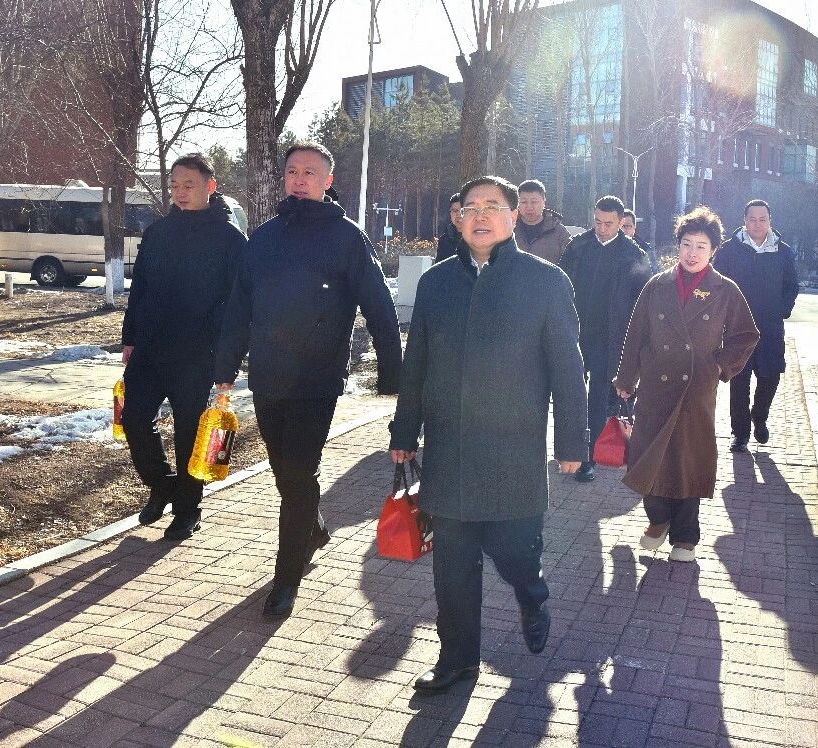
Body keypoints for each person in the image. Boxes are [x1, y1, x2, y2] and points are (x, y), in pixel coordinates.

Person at [389, 175, 589, 693]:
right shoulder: (436, 283)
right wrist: (404, 431)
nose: (480, 215)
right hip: (450, 449)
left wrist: (572, 442)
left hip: (513, 450)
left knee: (514, 551)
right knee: (453, 567)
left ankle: (532, 594)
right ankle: (457, 659)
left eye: (493, 206)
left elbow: (568, 369)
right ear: (458, 217)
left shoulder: (545, 282)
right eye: (471, 206)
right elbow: (416, 364)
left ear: (512, 216)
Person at [215, 141, 402, 618]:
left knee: (299, 471)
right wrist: (225, 369)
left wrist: (391, 369)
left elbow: (378, 304)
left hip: (317, 377)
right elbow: (239, 306)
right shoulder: (264, 238)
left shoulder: (346, 237)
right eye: (293, 171)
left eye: (310, 173)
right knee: (285, 471)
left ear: (327, 181)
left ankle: (286, 577)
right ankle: (313, 529)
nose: (299, 179)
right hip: (268, 373)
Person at [613, 206, 760, 562]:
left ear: (713, 251)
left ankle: (685, 537)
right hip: (655, 384)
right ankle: (657, 520)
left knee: (688, 460)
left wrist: (718, 367)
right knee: (648, 453)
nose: (692, 253)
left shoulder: (724, 290)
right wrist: (627, 377)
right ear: (677, 246)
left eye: (701, 246)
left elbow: (745, 335)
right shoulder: (657, 285)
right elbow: (636, 334)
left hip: (695, 389)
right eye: (686, 244)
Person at [121, 153, 246, 540]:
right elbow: (140, 289)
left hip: (197, 353)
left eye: (188, 185)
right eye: (174, 185)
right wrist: (129, 337)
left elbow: (238, 303)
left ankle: (188, 510)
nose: (180, 192)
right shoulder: (158, 233)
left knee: (190, 433)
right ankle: (162, 484)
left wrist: (227, 356)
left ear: (210, 186)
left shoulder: (230, 240)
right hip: (150, 347)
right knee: (133, 419)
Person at [557, 195, 651, 483]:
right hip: (574, 333)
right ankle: (568, 449)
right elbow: (560, 285)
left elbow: (642, 302)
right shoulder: (578, 246)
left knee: (597, 398)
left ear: (621, 222)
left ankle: (589, 458)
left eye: (608, 223)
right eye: (597, 221)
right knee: (570, 395)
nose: (601, 228)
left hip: (609, 339)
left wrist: (636, 344)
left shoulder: (633, 254)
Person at [713, 199, 800, 452]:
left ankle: (759, 416)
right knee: (738, 381)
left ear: (770, 221)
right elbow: (717, 285)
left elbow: (792, 286)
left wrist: (781, 309)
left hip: (770, 328)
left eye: (763, 219)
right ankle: (740, 433)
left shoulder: (782, 252)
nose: (757, 224)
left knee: (770, 377)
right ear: (744, 221)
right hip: (737, 328)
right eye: (752, 219)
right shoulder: (729, 250)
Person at [513, 179, 571, 263]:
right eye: (524, 202)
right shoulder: (509, 230)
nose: (529, 207)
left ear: (543, 202)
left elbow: (571, 261)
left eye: (534, 202)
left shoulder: (559, 232)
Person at [621, 208, 660, 275]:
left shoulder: (645, 249)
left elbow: (653, 274)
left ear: (634, 227)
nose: (623, 230)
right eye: (621, 226)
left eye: (627, 226)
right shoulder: (608, 247)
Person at [435, 193, 462, 262]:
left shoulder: (481, 237)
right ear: (450, 213)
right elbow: (439, 267)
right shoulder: (444, 241)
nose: (459, 215)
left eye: (462, 211)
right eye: (455, 211)